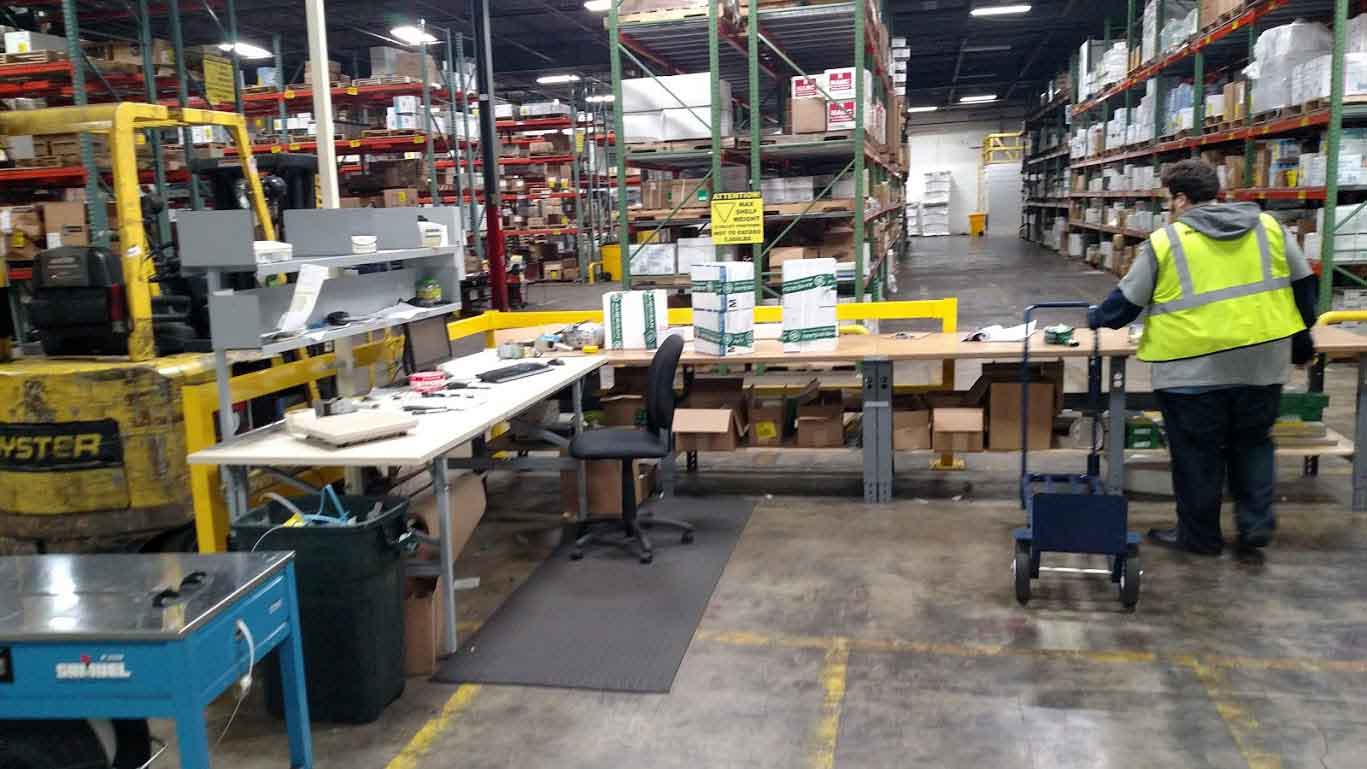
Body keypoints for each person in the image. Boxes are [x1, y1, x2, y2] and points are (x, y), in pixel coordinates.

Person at [1088, 159, 1319, 560]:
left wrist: (1095, 318)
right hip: (1261, 366)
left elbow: (1126, 304)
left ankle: (1201, 538)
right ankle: (1255, 527)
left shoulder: (1167, 241)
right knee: (1253, 445)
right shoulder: (1270, 229)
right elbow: (1303, 289)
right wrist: (1301, 340)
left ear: (1180, 198)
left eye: (1168, 201)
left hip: (1191, 371)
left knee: (1197, 455)